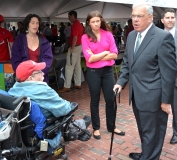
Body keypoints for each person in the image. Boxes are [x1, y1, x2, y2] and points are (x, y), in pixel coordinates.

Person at [113, 3, 177, 160]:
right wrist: (121, 82)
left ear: (150, 17)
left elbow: (169, 73)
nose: (135, 19)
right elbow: (128, 62)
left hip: (154, 97)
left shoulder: (163, 37)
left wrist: (166, 101)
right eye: (133, 16)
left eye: (139, 16)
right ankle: (146, 154)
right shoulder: (132, 36)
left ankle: (150, 157)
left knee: (154, 132)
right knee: (144, 130)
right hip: (137, 95)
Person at [81, 11, 125, 140]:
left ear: (101, 21)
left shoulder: (108, 34)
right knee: (95, 100)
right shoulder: (85, 37)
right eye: (93, 21)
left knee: (110, 99)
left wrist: (97, 56)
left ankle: (111, 127)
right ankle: (96, 128)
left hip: (108, 72)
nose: (95, 24)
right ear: (88, 23)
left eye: (97, 21)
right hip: (93, 73)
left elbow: (115, 54)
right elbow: (89, 59)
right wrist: (106, 53)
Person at [11, 14, 53, 84]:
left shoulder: (44, 40)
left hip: (40, 78)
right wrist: (25, 75)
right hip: (24, 79)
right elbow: (15, 60)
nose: (35, 25)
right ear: (27, 25)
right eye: (33, 23)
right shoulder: (19, 40)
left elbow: (48, 60)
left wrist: (38, 75)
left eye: (37, 23)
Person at [161, 8, 177, 145]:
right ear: (162, 20)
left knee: (176, 108)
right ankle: (158, 135)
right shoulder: (158, 35)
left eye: (172, 17)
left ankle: (176, 133)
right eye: (168, 18)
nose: (170, 20)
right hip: (160, 79)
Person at [58, 10, 84, 92]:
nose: (68, 18)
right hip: (79, 46)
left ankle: (67, 86)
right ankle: (77, 83)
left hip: (75, 47)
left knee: (69, 66)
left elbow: (75, 37)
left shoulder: (75, 25)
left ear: (73, 16)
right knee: (77, 66)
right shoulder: (79, 24)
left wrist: (72, 48)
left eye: (69, 16)